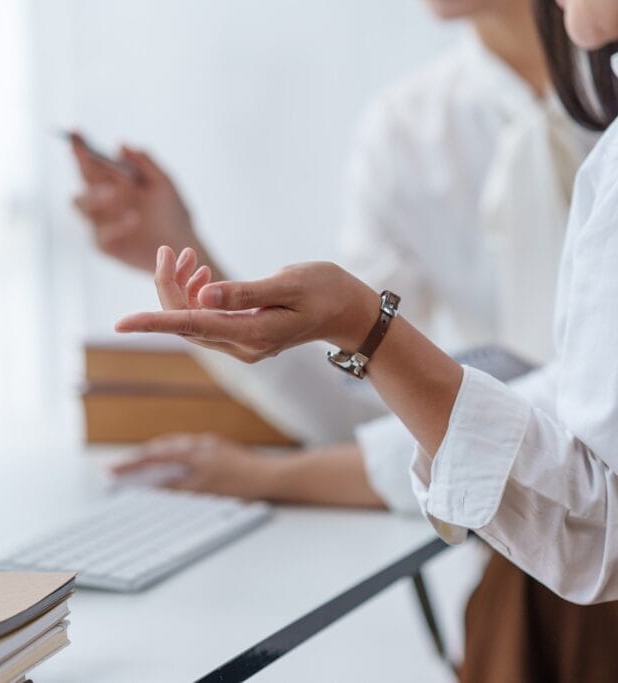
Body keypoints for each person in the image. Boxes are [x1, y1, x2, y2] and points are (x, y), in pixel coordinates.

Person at [113, 0, 618, 611]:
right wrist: (194, 264)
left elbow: (591, 502)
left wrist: (362, 336)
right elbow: (375, 402)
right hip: (523, 556)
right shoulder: (406, 132)